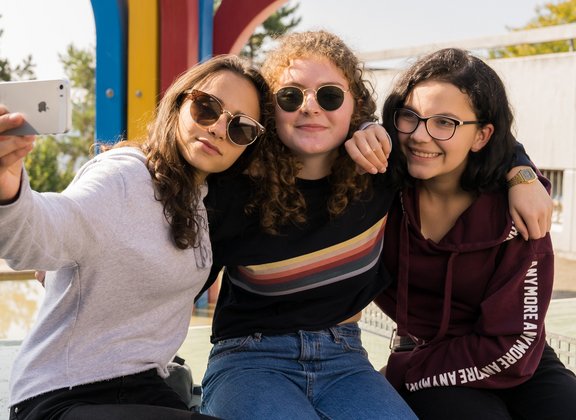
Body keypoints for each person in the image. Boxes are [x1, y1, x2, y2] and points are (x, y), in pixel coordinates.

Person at [199, 31, 551, 420]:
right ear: (270, 108)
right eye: (290, 96)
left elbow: (479, 134)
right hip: (250, 356)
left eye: (330, 96)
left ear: (355, 105)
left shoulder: (379, 171)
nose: (310, 107)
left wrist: (523, 174)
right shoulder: (235, 188)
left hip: (343, 357)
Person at [0, 54, 267, 420]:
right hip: (66, 393)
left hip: (144, 390)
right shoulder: (125, 176)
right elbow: (43, 233)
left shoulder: (204, 203)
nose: (220, 128)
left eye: (241, 128)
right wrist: (8, 189)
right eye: (207, 108)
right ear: (178, 104)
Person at [349, 47, 576, 419]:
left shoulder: (517, 212)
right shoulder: (381, 190)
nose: (420, 136)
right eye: (410, 116)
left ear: (482, 136)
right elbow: (322, 129)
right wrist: (362, 130)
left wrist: (402, 373)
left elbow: (514, 343)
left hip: (516, 358)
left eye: (445, 123)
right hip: (430, 359)